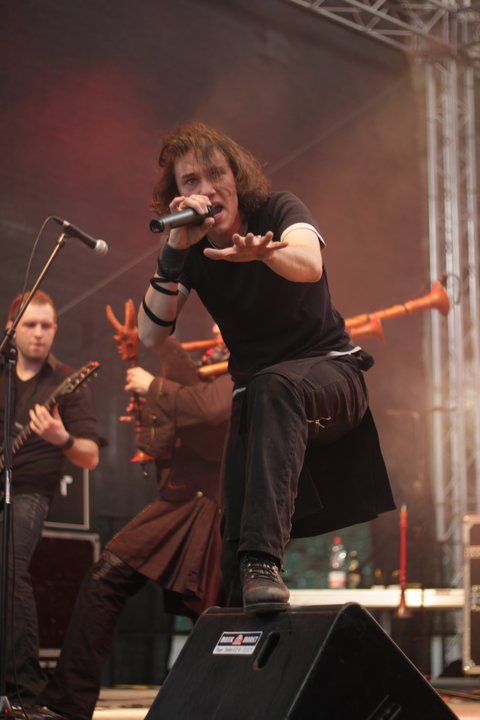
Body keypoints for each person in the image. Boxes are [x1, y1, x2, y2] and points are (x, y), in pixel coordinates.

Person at [138, 121, 396, 613]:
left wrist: (266, 255)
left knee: (274, 387)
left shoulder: (277, 210)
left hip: (331, 375)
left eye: (216, 174)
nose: (206, 188)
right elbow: (151, 334)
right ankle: (245, 620)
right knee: (233, 536)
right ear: (178, 196)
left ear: (237, 178)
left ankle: (264, 561)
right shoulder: (191, 250)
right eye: (191, 180)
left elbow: (309, 264)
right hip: (257, 398)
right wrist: (172, 254)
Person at [36, 335, 233, 720]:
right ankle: (67, 705)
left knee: (216, 614)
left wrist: (154, 384)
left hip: (214, 504)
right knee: (105, 579)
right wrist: (153, 404)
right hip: (182, 501)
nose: (215, 323)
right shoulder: (204, 370)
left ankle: (228, 706)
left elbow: (211, 409)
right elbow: (177, 421)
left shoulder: (249, 361)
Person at [0, 291, 101, 720]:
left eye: (46, 326)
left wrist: (62, 438)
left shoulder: (67, 382)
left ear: (56, 330)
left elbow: (90, 456)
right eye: (30, 325)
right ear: (11, 329)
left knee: (10, 567)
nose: (39, 333)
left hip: (30, 490)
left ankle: (26, 689)